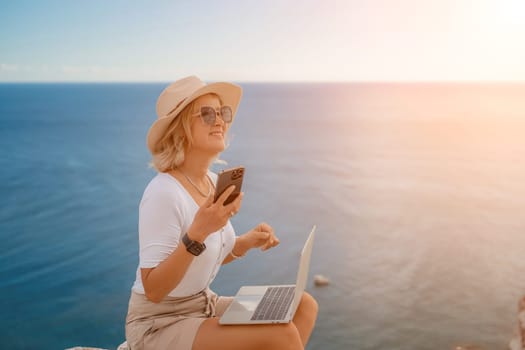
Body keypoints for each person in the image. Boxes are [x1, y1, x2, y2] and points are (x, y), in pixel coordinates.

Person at [125, 76, 318, 350]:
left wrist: (245, 243)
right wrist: (199, 231)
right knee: (280, 335)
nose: (220, 121)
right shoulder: (162, 192)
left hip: (203, 304)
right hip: (159, 322)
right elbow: (154, 289)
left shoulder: (215, 183)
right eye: (206, 114)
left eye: (222, 112)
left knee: (303, 305)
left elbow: (204, 256)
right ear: (180, 130)